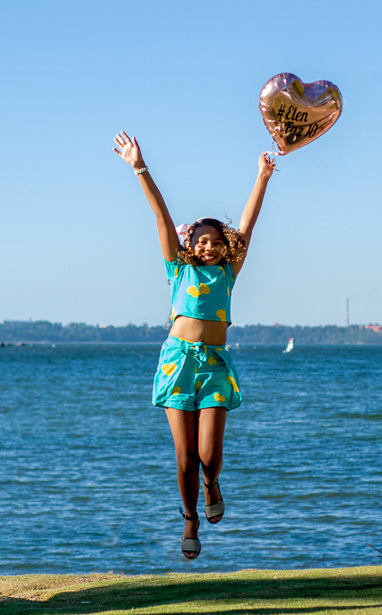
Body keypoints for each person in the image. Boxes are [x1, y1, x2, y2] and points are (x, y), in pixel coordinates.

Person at [112, 131, 275, 559]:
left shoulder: (228, 273)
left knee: (209, 454)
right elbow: (162, 216)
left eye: (217, 242)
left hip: (215, 363)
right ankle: (189, 518)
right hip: (177, 363)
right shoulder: (177, 271)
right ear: (190, 245)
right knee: (184, 457)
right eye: (202, 241)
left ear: (226, 250)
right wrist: (139, 167)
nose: (209, 246)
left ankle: (212, 483)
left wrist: (262, 178)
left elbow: (248, 224)